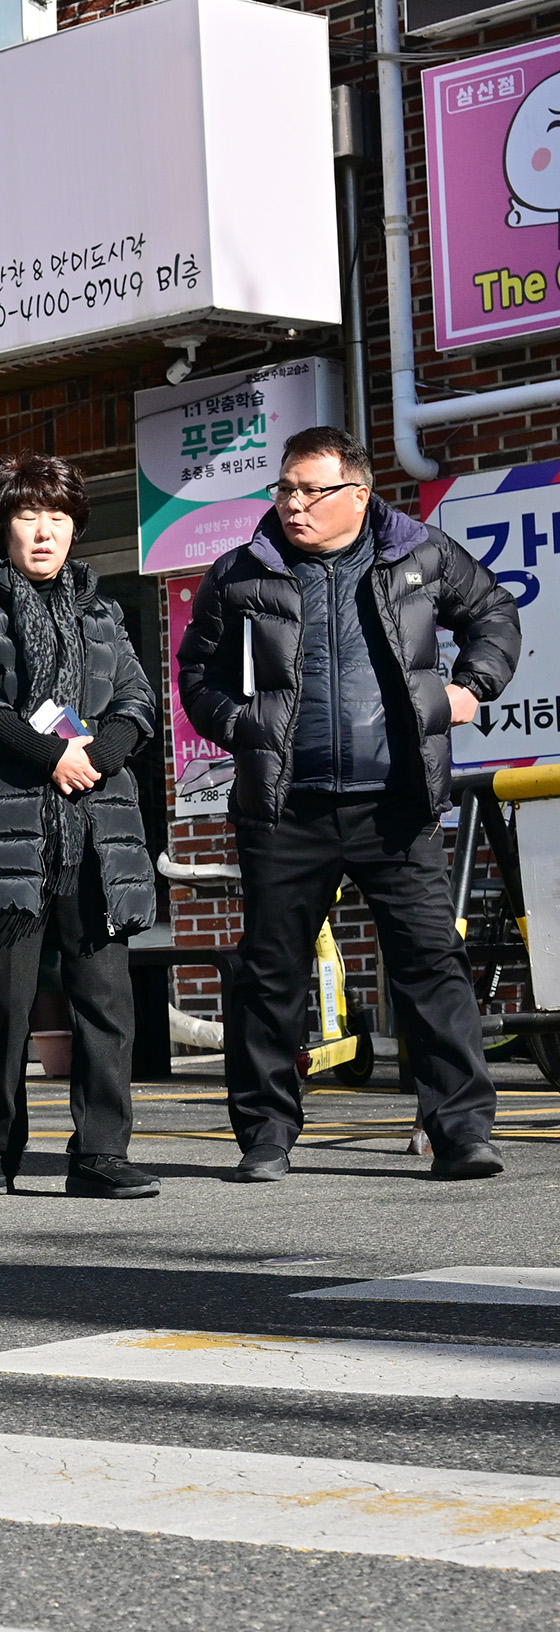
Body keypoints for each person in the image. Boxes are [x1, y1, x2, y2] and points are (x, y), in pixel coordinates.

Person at [177, 426, 521, 1181]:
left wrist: (472, 689)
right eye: (286, 488)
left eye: (312, 490)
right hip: (286, 806)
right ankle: (266, 1136)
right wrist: (242, 726)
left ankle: (461, 1132)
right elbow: (196, 669)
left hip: (397, 803)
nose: (293, 504)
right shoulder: (243, 572)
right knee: (271, 974)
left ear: (358, 494)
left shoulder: (420, 556)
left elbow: (494, 613)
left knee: (432, 964)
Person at [0, 456, 163, 1199]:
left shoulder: (102, 611)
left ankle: (101, 1154)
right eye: (29, 516)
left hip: (96, 833)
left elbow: (137, 702)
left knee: (106, 1000)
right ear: (2, 526)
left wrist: (90, 759)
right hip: (10, 830)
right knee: (5, 1003)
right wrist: (50, 757)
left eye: (58, 517)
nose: (44, 532)